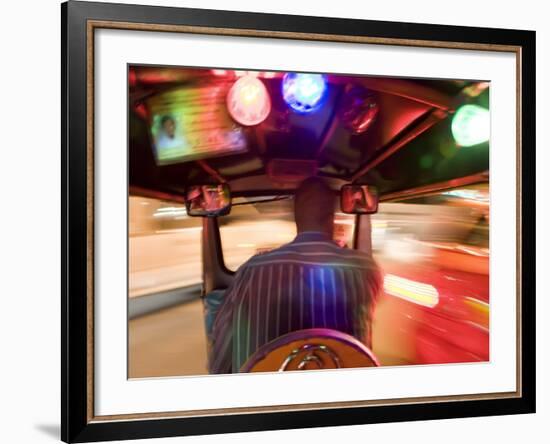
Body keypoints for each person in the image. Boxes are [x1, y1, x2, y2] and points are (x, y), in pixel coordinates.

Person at [209, 176, 382, 374]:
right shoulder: (365, 269)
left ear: (296, 217)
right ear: (331, 217)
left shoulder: (252, 269)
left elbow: (223, 344)